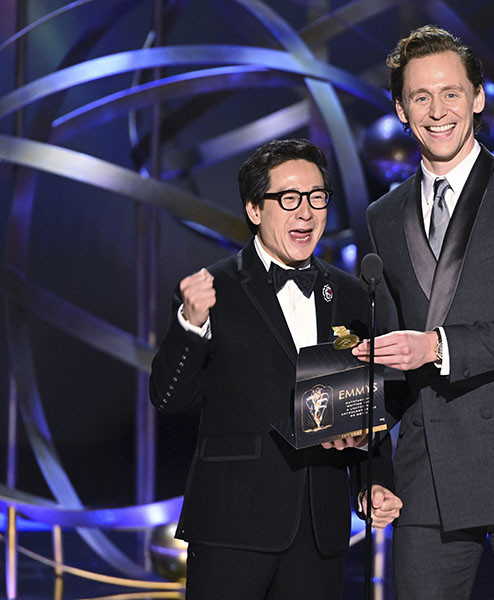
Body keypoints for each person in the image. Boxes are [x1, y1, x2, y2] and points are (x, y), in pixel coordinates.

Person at [352, 25, 494, 599]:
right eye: (421, 98)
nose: (437, 111)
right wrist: (373, 467)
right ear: (400, 111)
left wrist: (438, 346)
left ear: (478, 99)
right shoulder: (384, 214)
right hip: (427, 472)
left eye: (451, 93)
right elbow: (391, 358)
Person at [149, 138, 402, 600]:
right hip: (233, 525)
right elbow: (168, 398)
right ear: (254, 209)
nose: (305, 212)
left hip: (320, 529)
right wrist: (191, 325)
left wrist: (373, 481)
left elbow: (361, 405)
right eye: (288, 198)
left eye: (317, 197)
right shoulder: (214, 288)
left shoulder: (349, 293)